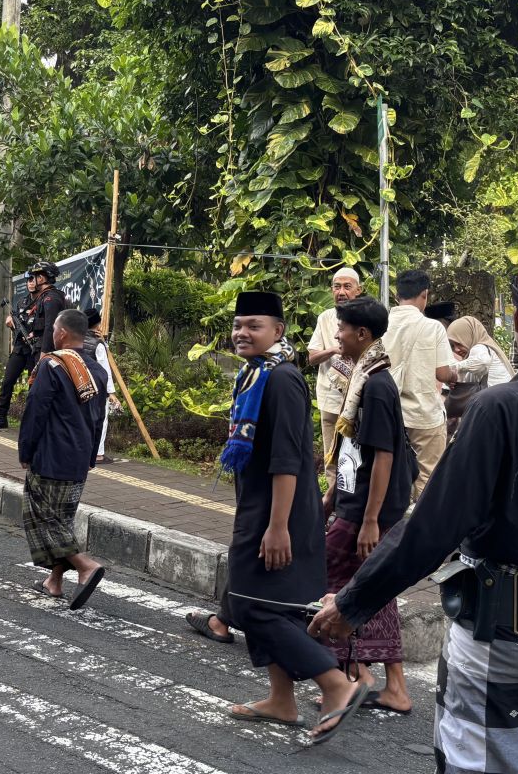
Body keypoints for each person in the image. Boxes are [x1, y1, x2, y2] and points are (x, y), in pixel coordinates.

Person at [310, 254, 518, 771]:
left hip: (500, 639)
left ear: (517, 322)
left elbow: (432, 529)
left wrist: (353, 604)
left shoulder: (499, 407)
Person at [217, 291, 364, 745]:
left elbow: (285, 459)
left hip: (275, 514)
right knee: (276, 606)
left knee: (246, 605)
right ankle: (282, 700)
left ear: (278, 332)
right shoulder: (256, 374)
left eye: (254, 325)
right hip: (269, 507)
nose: (243, 332)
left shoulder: (279, 380)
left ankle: (336, 685)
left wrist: (277, 526)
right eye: (239, 324)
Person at [321, 296, 417, 716]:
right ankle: (380, 680)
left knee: (332, 580)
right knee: (372, 588)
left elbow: (383, 456)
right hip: (355, 501)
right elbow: (353, 450)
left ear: (362, 334)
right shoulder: (366, 374)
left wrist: (370, 520)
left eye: (341, 328)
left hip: (368, 510)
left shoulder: (376, 386)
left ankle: (353, 677)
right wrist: (333, 495)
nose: (337, 335)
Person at [18, 309, 109, 610]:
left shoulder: (53, 365)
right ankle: (53, 582)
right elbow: (99, 417)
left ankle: (85, 566)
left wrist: (25, 451)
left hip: (51, 455)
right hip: (79, 457)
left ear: (61, 334)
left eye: (54, 328)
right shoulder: (97, 370)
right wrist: (92, 455)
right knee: (63, 520)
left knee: (45, 517)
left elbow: (36, 412)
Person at [384, 270, 453, 497]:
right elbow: (443, 373)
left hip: (389, 413)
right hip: (424, 416)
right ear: (425, 294)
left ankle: (390, 530)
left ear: (397, 295)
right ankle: (420, 529)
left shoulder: (381, 325)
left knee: (389, 478)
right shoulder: (433, 328)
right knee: (428, 481)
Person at [0, 260, 67, 430]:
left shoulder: (51, 298)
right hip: (22, 348)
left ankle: (34, 424)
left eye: (36, 276)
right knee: (8, 381)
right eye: (31, 277)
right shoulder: (25, 302)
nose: (33, 280)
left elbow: (50, 327)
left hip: (38, 350)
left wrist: (45, 352)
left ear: (45, 278)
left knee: (34, 388)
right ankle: (1, 417)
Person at [307, 267, 362, 480]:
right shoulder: (325, 318)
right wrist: (333, 350)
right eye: (337, 286)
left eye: (347, 286)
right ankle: (332, 502)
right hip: (330, 400)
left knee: (357, 456)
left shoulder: (366, 316)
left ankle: (353, 504)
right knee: (332, 457)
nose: (341, 292)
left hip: (358, 401)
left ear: (358, 290)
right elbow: (312, 358)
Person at [83, 308, 121, 463]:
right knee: (101, 419)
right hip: (98, 388)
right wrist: (111, 393)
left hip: (82, 386)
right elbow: (105, 371)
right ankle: (98, 454)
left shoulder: (77, 339)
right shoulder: (98, 344)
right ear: (98, 324)